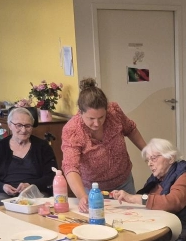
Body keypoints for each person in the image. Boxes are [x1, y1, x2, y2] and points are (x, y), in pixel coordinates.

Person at [62, 78, 146, 213]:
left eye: (101, 117)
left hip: (123, 182)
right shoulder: (72, 130)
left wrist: (147, 151)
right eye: (91, 118)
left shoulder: (114, 111)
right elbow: (70, 167)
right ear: (80, 112)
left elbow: (130, 129)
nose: (97, 123)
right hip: (93, 190)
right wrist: (82, 196)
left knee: (132, 218)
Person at [111, 137, 186, 237]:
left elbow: (173, 202)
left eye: (153, 158)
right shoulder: (158, 176)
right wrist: (126, 198)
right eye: (147, 160)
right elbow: (148, 198)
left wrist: (132, 198)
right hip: (165, 223)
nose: (149, 164)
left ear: (171, 158)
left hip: (185, 228)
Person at [0, 107, 57, 207]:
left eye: (28, 126)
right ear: (10, 125)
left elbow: (51, 175)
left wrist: (30, 185)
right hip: (4, 194)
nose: (23, 130)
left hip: (35, 192)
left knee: (39, 205)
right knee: (0, 203)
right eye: (19, 125)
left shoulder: (43, 147)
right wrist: (2, 186)